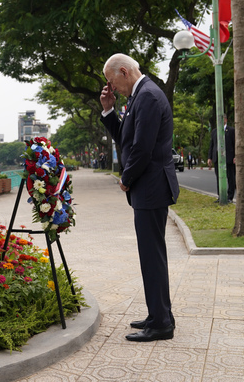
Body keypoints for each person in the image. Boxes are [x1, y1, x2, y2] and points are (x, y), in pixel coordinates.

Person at [99, 53, 179, 342]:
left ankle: (161, 324)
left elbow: (142, 149)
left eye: (112, 82)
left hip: (151, 186)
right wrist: (108, 111)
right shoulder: (138, 95)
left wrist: (126, 178)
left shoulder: (146, 96)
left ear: (123, 71)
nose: (112, 88)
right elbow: (127, 138)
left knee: (152, 257)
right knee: (151, 256)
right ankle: (159, 314)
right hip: (150, 187)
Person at [207, 114, 236, 203]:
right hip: (217, 158)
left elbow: (235, 144)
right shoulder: (214, 131)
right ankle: (221, 196)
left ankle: (230, 197)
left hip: (229, 158)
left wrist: (236, 156)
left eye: (221, 119)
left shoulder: (231, 131)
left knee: (230, 178)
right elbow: (212, 145)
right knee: (219, 178)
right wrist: (209, 157)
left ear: (226, 120)